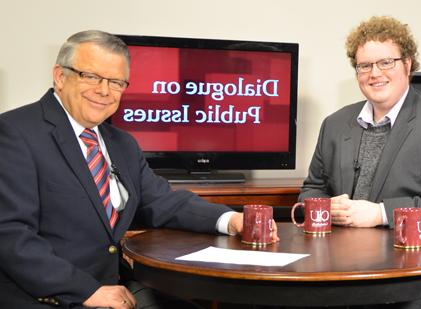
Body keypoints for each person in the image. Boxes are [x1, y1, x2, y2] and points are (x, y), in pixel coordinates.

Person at [0, 30, 278, 309]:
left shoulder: (122, 143)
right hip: (49, 295)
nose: (104, 91)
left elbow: (162, 201)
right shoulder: (15, 133)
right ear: (60, 76)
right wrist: (87, 291)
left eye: (116, 82)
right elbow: (10, 235)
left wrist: (230, 220)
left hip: (115, 284)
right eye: (92, 77)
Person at [299, 16, 421, 233]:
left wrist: (380, 213)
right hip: (345, 254)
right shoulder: (334, 124)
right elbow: (312, 189)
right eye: (365, 66)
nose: (375, 74)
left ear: (407, 63)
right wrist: (328, 207)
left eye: (386, 62)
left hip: (418, 256)